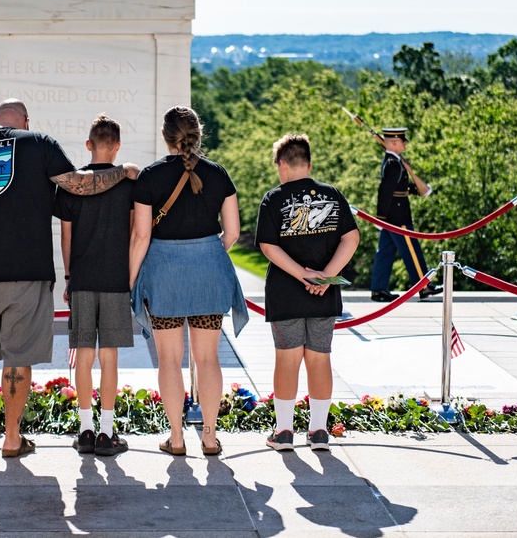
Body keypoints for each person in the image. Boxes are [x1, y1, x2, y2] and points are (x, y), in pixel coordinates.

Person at [0, 99, 138, 458]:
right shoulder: (38, 144)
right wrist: (122, 171)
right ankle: (12, 438)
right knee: (17, 355)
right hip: (28, 272)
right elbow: (80, 184)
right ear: (25, 122)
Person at [130, 105, 244, 458]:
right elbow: (234, 232)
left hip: (164, 273)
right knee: (208, 358)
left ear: (165, 136)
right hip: (208, 270)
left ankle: (176, 437)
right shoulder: (219, 173)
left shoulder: (149, 177)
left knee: (168, 359)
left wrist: (130, 280)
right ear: (198, 133)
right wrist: (208, 251)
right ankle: (209, 437)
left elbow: (140, 237)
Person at [255, 133, 359, 451]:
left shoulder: (273, 199)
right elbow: (351, 238)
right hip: (324, 294)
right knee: (319, 358)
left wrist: (302, 275)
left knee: (287, 360)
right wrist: (325, 277)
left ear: (282, 165)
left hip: (285, 292)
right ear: (310, 164)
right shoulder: (332, 195)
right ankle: (318, 432)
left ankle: (284, 432)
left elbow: (268, 246)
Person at [54, 114, 134, 457]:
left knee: (83, 356)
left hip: (83, 279)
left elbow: (66, 237)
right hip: (116, 279)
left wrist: (70, 277)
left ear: (88, 145)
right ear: (117, 147)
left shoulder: (73, 185)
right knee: (110, 358)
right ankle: (106, 432)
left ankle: (85, 430)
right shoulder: (129, 185)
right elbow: (134, 234)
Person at [369, 128, 442, 302]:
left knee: (385, 253)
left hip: (392, 216)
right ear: (394, 143)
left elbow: (399, 188)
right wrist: (380, 218)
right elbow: (385, 191)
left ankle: (378, 289)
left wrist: (418, 189)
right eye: (403, 141)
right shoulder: (394, 164)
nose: (405, 143)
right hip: (398, 217)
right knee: (412, 251)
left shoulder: (393, 161)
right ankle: (424, 286)